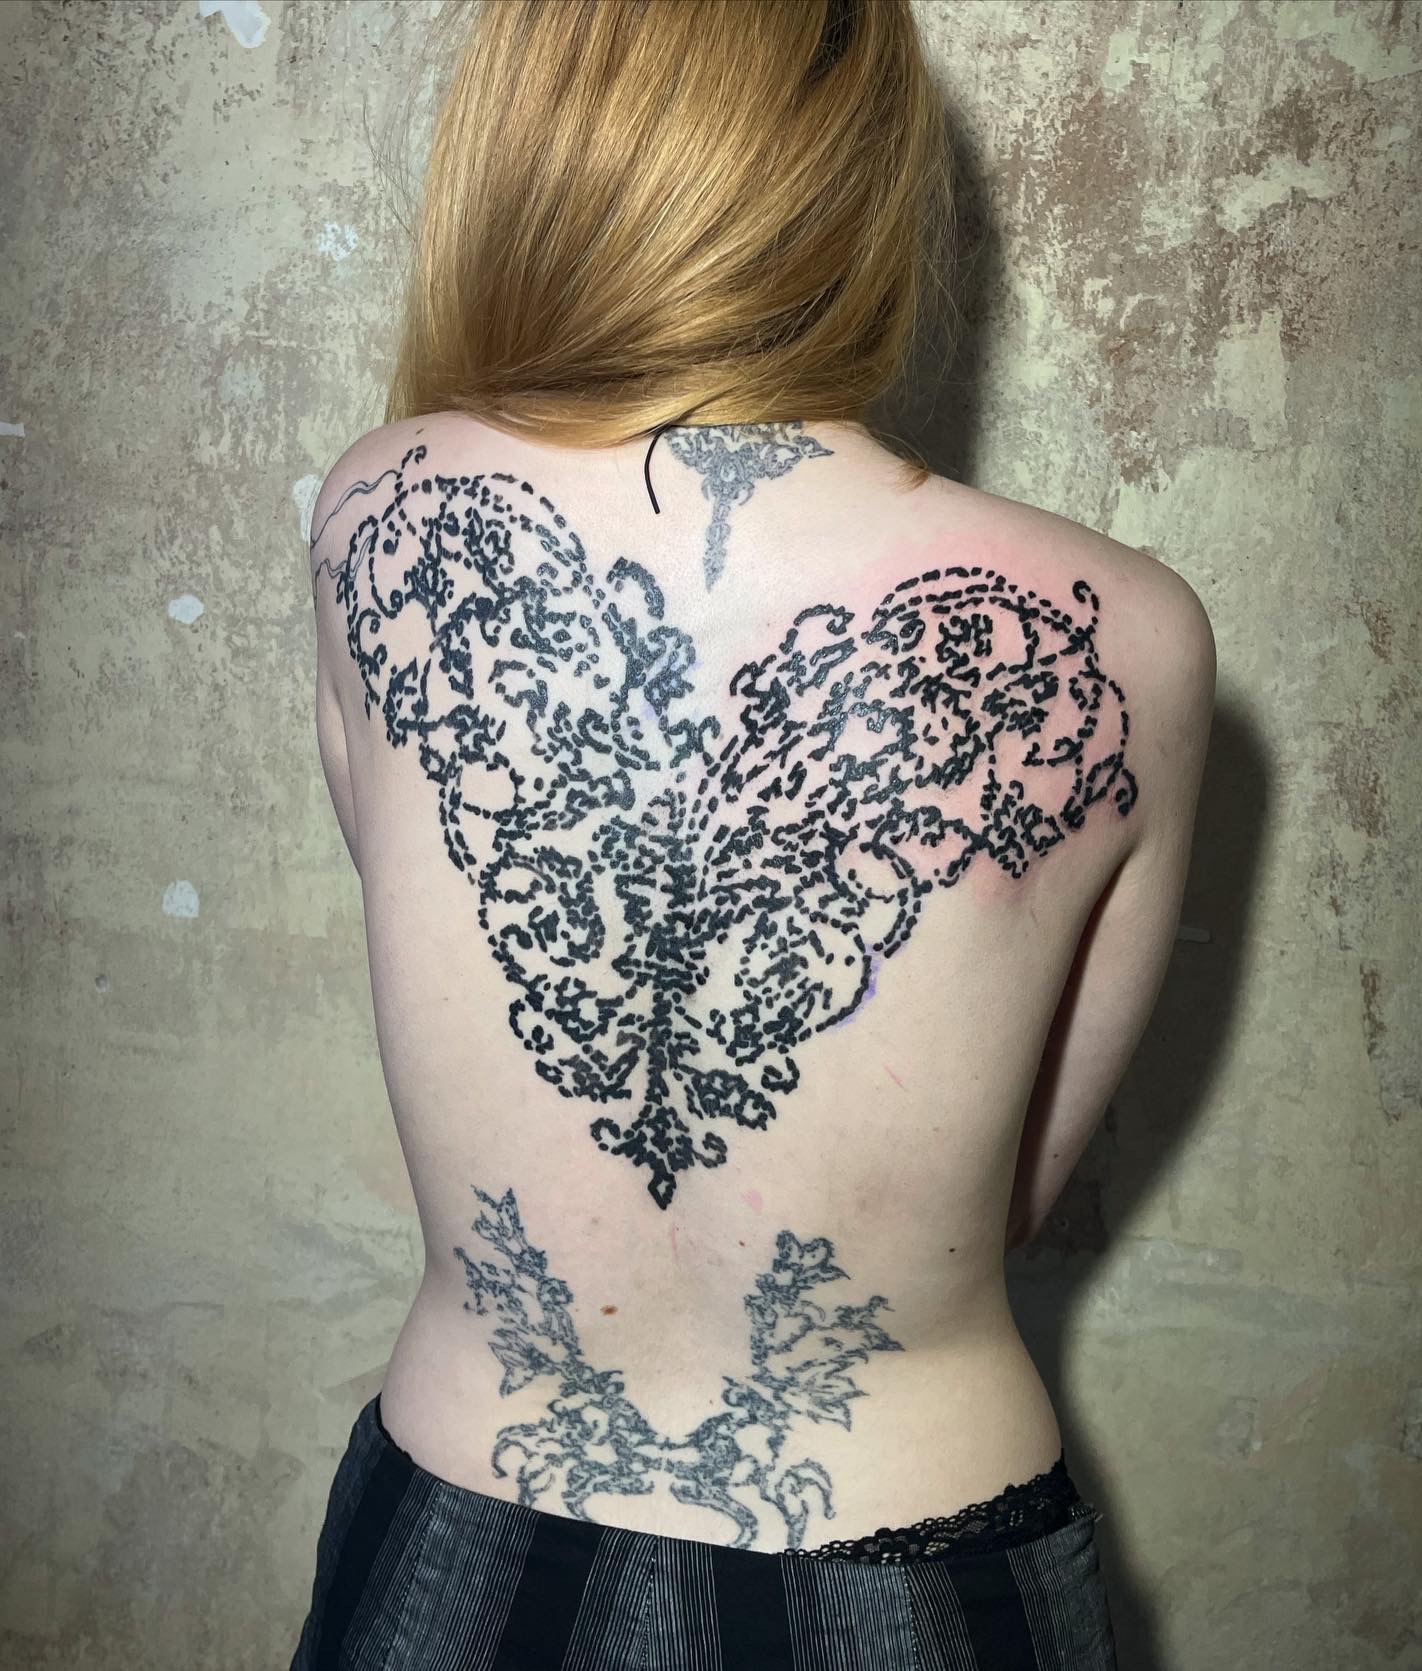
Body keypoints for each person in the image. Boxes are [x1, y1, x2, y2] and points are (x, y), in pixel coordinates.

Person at [290, 2, 1214, 1666]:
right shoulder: (1128, 635)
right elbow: (1000, 1197)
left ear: (531, 145)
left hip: (466, 1535)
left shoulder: (383, 515)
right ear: (866, 188)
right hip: (913, 1567)